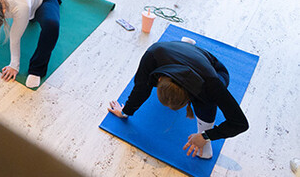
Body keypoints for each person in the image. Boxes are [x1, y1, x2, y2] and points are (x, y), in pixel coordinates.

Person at [106, 40, 249, 159]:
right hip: (174, 52)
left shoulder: (211, 84)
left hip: (213, 68)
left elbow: (240, 123)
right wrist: (126, 111)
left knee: (207, 100)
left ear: (189, 99)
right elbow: (141, 88)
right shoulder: (152, 55)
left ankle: (188, 46)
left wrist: (206, 136)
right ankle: (186, 45)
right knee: (146, 80)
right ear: (160, 78)